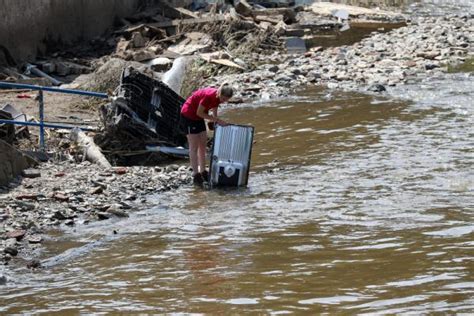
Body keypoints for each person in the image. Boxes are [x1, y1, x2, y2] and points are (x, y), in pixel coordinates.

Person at [180, 83, 233, 185]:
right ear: (219, 93)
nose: (223, 101)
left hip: (199, 117)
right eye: (223, 99)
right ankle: (196, 175)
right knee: (194, 146)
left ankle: (203, 171)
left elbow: (214, 109)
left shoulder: (218, 97)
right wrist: (216, 119)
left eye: (225, 100)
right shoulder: (209, 96)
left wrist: (215, 121)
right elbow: (199, 112)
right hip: (189, 115)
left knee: (203, 145)